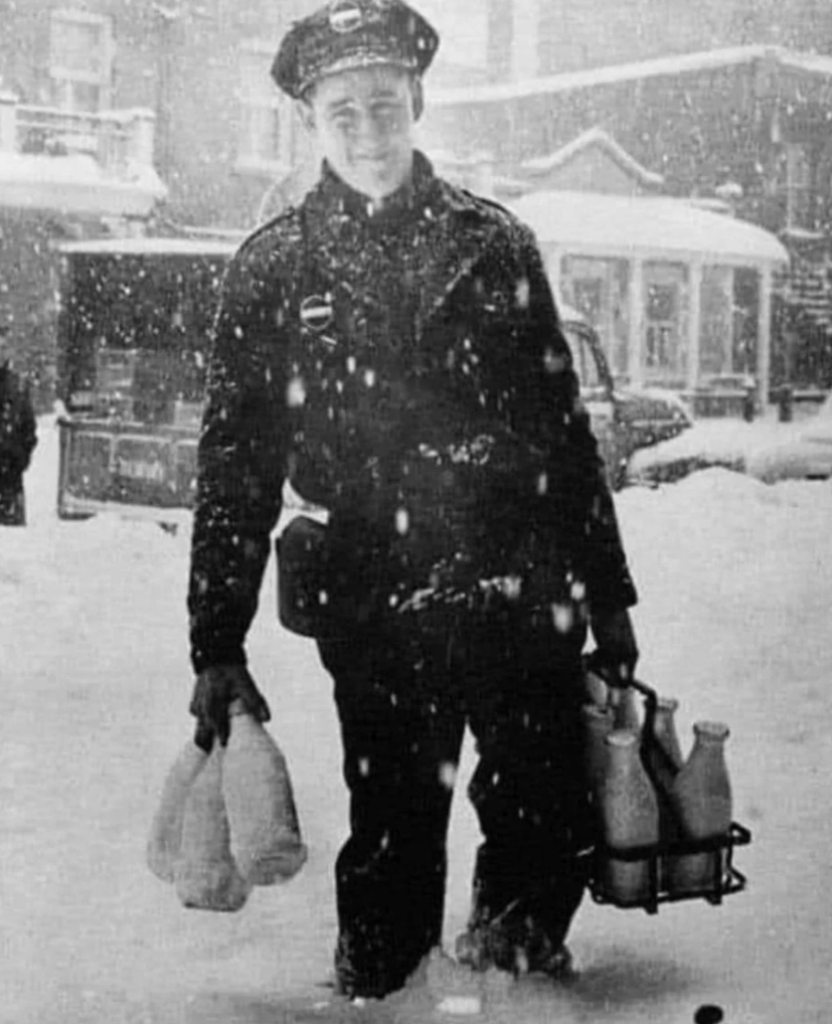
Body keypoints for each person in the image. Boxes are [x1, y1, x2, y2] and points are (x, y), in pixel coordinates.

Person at [187, 0, 639, 1000]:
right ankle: (383, 998)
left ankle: (520, 982)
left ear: (418, 103)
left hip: (520, 580)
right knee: (393, 829)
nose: (368, 131)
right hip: (377, 597)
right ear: (313, 120)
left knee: (540, 809)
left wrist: (608, 599)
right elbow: (235, 464)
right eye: (343, 110)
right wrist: (217, 639)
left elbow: (565, 434)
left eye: (384, 105)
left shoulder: (495, 244)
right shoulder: (273, 270)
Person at [0, 322, 37, 526]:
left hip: (9, 484)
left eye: (2, 348)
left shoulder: (18, 386)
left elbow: (28, 430)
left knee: (13, 550)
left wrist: (19, 459)